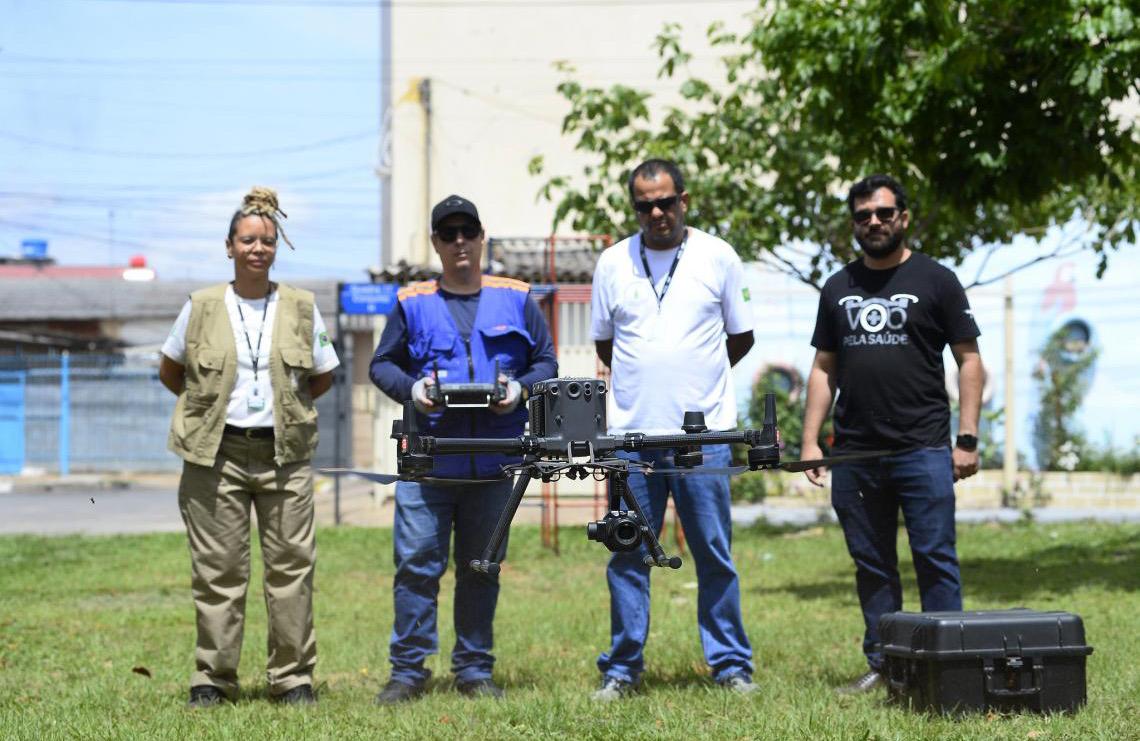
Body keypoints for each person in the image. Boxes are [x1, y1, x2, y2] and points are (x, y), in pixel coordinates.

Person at [369, 194, 557, 704]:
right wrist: (412, 390)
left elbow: (546, 362)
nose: (459, 243)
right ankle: (408, 672)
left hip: (495, 464)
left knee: (481, 569)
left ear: (481, 237)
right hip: (428, 463)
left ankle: (474, 670)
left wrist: (520, 390)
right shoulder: (412, 302)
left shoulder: (517, 297)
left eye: (467, 233)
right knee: (416, 568)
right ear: (435, 243)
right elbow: (380, 365)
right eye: (447, 235)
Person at [799, 173, 983, 695]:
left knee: (934, 557)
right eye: (863, 216)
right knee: (872, 565)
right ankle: (887, 667)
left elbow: (970, 362)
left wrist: (966, 439)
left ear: (902, 217)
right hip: (854, 454)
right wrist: (811, 441)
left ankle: (950, 667)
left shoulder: (937, 280)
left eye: (883, 213)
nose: (874, 222)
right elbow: (823, 368)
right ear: (853, 223)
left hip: (922, 448)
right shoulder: (838, 287)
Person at [158, 186, 339, 708]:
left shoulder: (302, 307)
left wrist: (282, 409)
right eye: (247, 240)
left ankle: (292, 680)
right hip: (217, 457)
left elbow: (322, 376)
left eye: (266, 240)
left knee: (291, 571)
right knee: (219, 573)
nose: (257, 249)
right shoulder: (202, 307)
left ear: (276, 246)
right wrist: (214, 411)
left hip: (285, 457)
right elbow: (172, 371)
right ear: (229, 245)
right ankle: (212, 679)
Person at [589, 159, 757, 701]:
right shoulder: (613, 262)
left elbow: (741, 337)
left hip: (703, 438)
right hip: (632, 437)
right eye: (644, 205)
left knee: (713, 551)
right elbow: (604, 345)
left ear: (684, 199)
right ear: (634, 207)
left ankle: (731, 665)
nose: (656, 213)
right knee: (628, 552)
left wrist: (696, 379)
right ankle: (622, 668)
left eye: (665, 202)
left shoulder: (718, 256)